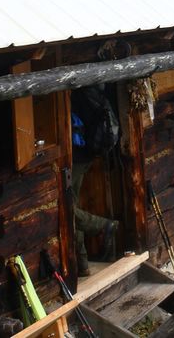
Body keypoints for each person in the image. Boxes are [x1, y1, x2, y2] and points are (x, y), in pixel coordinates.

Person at [71, 85, 120, 276]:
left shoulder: (75, 93)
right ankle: (82, 264)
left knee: (67, 209)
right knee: (71, 205)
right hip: (84, 153)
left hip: (76, 155)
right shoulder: (89, 90)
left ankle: (101, 225)